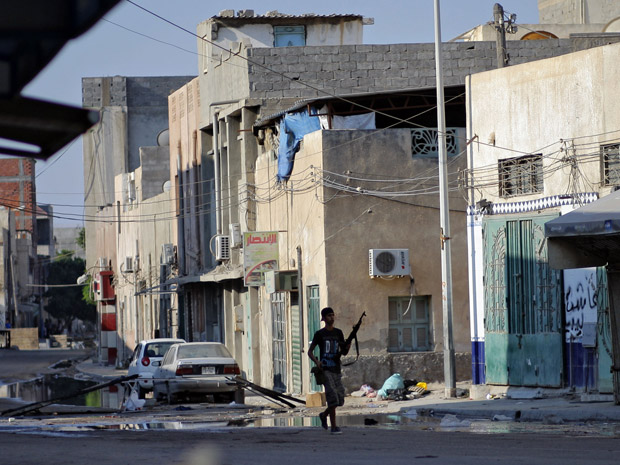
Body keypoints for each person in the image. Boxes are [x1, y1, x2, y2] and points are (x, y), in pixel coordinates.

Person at [308, 307, 351, 434]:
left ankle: (324, 415)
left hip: (336, 369)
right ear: (324, 318)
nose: (331, 318)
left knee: (340, 398)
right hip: (325, 370)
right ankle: (334, 427)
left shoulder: (339, 333)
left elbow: (344, 352)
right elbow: (310, 352)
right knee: (332, 397)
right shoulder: (319, 334)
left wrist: (348, 345)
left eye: (333, 315)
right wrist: (317, 362)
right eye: (329, 316)